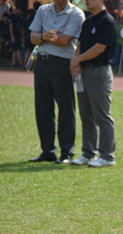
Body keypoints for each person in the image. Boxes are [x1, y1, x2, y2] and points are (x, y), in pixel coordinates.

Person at [28, 0, 85, 164]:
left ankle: (67, 152)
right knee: (43, 107)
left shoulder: (76, 13)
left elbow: (65, 40)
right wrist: (43, 36)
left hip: (62, 63)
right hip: (42, 62)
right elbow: (32, 38)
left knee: (66, 108)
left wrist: (43, 37)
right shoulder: (43, 10)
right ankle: (48, 151)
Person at [69, 0, 117, 168]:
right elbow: (79, 45)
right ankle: (89, 153)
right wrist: (77, 63)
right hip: (84, 72)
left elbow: (99, 48)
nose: (87, 1)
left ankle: (107, 156)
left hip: (98, 72)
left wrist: (76, 60)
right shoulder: (88, 21)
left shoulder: (107, 21)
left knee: (102, 116)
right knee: (86, 116)